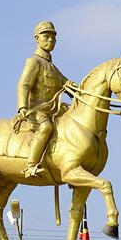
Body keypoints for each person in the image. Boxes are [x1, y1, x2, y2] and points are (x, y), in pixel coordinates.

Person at [17, 20, 76, 178]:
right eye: (46, 36)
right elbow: (24, 85)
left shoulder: (53, 68)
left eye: (53, 37)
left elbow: (70, 87)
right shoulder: (34, 62)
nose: (50, 40)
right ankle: (30, 166)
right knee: (46, 128)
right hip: (37, 110)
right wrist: (22, 108)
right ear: (37, 38)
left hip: (54, 110)